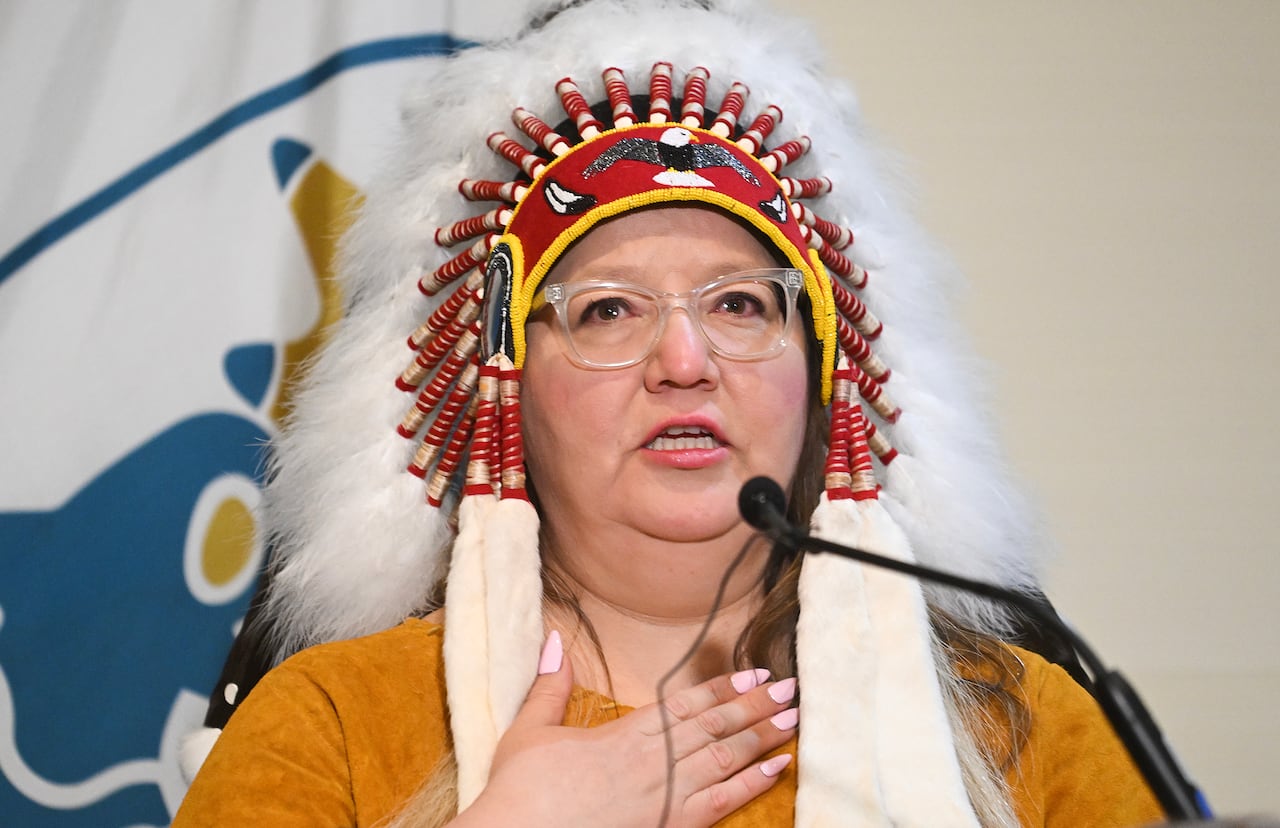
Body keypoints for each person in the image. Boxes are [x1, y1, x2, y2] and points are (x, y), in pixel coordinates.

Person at [174, 1, 1166, 825]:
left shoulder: (1028, 730)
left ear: (821, 376)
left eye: (739, 304)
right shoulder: (335, 722)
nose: (683, 362)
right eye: (607, 311)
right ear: (502, 389)